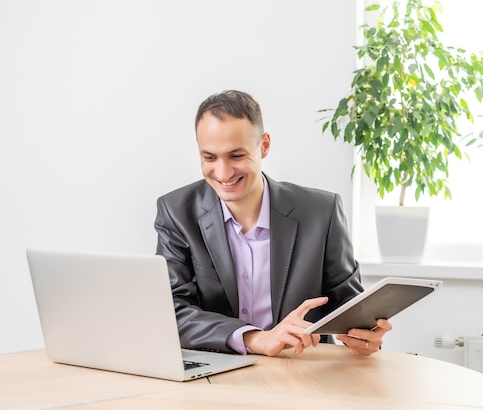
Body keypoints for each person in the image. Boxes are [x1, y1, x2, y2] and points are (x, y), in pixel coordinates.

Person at [154, 90, 391, 357]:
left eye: (236, 156)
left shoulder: (322, 212)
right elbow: (172, 311)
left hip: (302, 368)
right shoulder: (176, 212)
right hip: (216, 372)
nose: (222, 173)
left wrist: (364, 334)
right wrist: (254, 338)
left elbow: (348, 304)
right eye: (209, 158)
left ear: (264, 145)